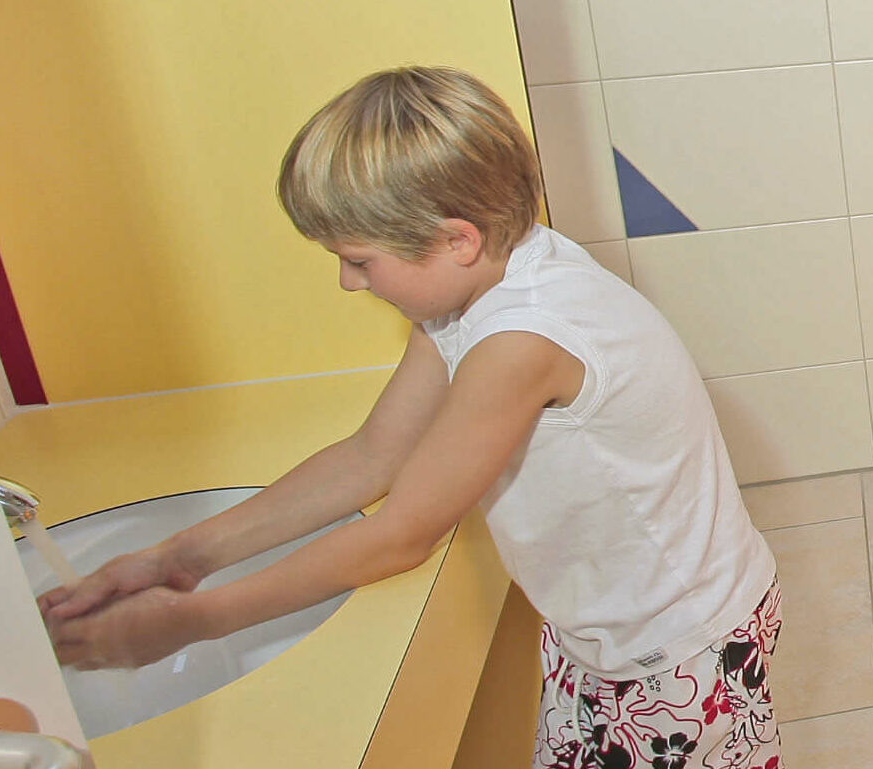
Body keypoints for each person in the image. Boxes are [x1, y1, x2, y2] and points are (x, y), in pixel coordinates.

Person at [38, 65, 782, 769]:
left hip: (674, 649)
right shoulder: (474, 292)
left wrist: (194, 620)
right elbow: (373, 456)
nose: (347, 281)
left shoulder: (524, 338)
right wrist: (177, 558)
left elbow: (401, 535)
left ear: (457, 239)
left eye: (360, 260)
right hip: (613, 629)